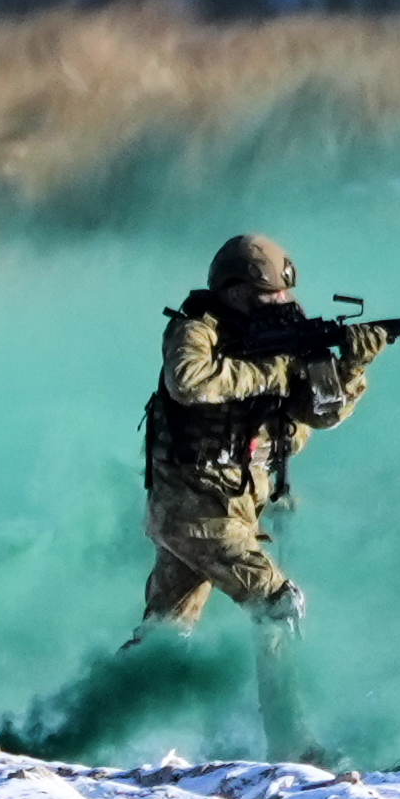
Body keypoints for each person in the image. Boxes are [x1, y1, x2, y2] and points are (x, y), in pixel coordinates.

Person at [131, 233, 386, 759]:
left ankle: (89, 725)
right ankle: (292, 745)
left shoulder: (284, 334)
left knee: (163, 640)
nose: (282, 305)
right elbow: (189, 382)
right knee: (277, 604)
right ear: (233, 290)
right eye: (267, 295)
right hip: (192, 509)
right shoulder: (194, 331)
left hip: (236, 511)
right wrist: (268, 371)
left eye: (282, 296)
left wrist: (352, 367)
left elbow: (321, 412)